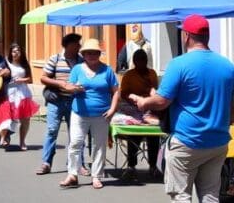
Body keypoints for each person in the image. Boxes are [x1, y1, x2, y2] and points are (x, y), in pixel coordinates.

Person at [131, 14, 234, 203]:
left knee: (181, 196)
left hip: (187, 141)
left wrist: (144, 102)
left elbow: (162, 101)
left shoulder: (179, 64)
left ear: (186, 35)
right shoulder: (227, 65)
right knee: (210, 196)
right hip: (218, 142)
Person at [59, 39, 119, 190]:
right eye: (88, 53)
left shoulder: (107, 70)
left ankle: (96, 176)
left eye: (95, 53)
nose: (92, 55)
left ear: (99, 54)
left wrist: (112, 110)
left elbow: (116, 91)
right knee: (75, 143)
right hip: (79, 113)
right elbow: (68, 86)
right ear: (83, 54)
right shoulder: (77, 69)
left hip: (102, 115)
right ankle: (72, 174)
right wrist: (73, 89)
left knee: (99, 146)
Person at [37, 33, 85, 176]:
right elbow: (43, 77)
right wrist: (61, 84)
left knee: (76, 134)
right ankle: (46, 162)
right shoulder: (55, 59)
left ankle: (77, 163)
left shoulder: (81, 61)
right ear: (68, 45)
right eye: (77, 43)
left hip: (75, 101)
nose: (79, 46)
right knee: (52, 131)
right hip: (57, 101)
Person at [117, 48, 161, 180]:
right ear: (135, 62)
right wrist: (134, 97)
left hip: (149, 106)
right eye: (139, 61)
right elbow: (123, 94)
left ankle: (153, 166)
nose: (141, 63)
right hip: (133, 107)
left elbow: (155, 89)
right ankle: (131, 166)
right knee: (134, 134)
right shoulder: (129, 75)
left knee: (154, 135)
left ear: (146, 61)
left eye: (144, 61)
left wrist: (152, 91)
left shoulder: (152, 73)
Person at [7, 43, 39, 151]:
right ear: (10, 53)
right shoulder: (7, 64)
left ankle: (22, 141)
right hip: (10, 92)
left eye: (18, 51)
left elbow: (30, 79)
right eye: (13, 51)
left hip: (23, 93)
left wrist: (22, 80)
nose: (15, 53)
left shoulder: (24, 64)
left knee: (25, 119)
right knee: (10, 117)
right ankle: (5, 134)